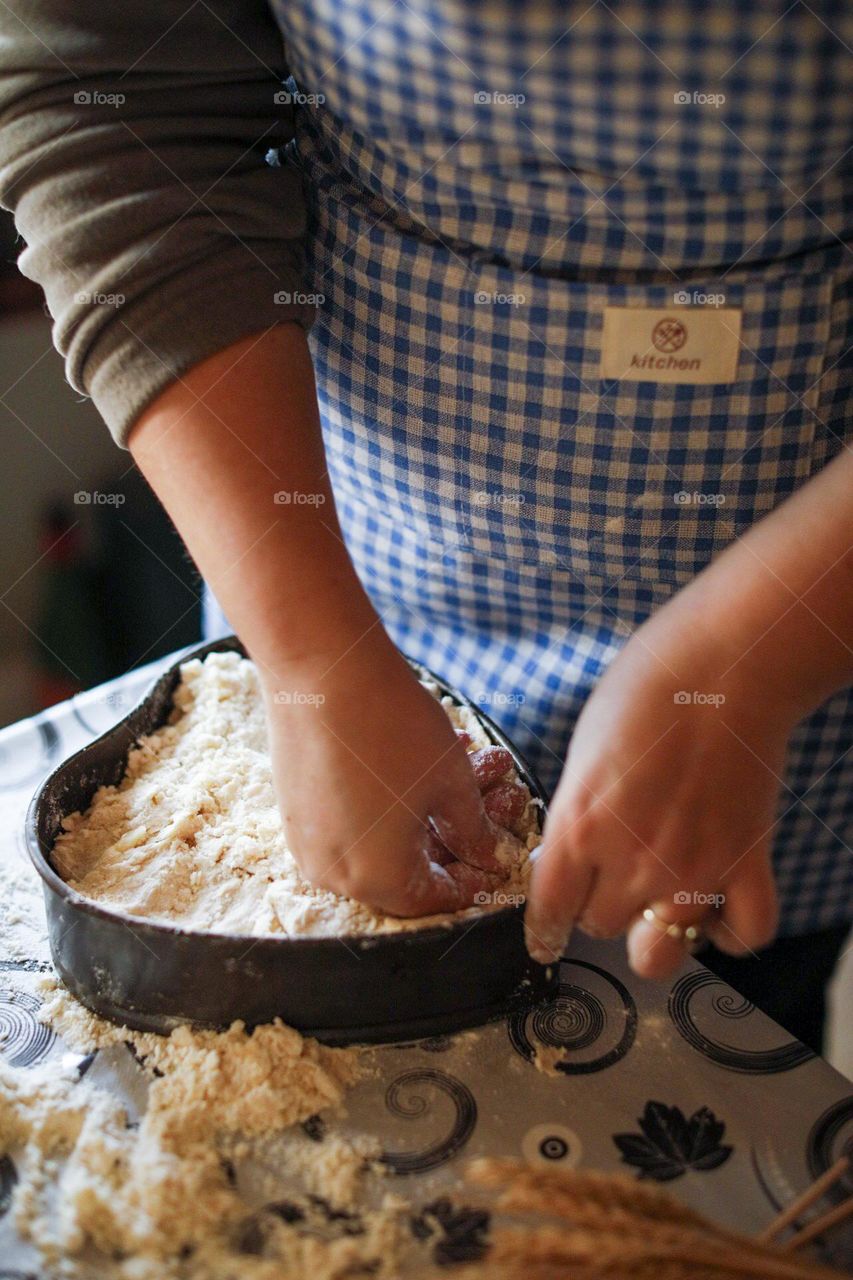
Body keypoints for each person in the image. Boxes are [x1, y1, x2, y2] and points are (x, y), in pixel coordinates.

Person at [1, 0, 850, 1052]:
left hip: (796, 672)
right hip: (342, 566)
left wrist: (755, 655)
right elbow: (120, 107)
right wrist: (316, 657)